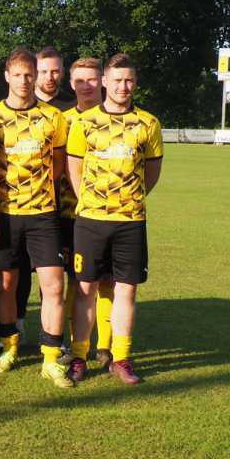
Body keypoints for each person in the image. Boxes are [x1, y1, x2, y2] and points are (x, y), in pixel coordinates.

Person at [67, 53, 163, 385]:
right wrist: (91, 202)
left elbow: (152, 173)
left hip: (130, 220)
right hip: (91, 219)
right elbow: (75, 169)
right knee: (85, 288)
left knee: (127, 289)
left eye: (129, 80)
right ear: (105, 81)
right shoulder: (84, 122)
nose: (123, 86)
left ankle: (120, 358)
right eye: (117, 80)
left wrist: (129, 199)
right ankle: (79, 356)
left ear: (135, 83)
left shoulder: (148, 123)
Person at [0, 48, 73, 388]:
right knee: (6, 284)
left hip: (43, 215)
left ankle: (51, 357)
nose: (24, 81)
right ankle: (9, 347)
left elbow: (59, 165)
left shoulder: (53, 117)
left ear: (35, 77)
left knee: (53, 284)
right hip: (6, 214)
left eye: (29, 75)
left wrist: (40, 194)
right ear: (7, 77)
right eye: (18, 75)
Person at [60, 57, 114, 365]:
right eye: (80, 80)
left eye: (92, 79)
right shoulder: (62, 119)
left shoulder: (116, 118)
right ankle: (74, 343)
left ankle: (104, 346)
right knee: (74, 279)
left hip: (106, 215)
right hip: (66, 213)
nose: (86, 86)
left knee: (107, 280)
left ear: (102, 81)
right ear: (71, 84)